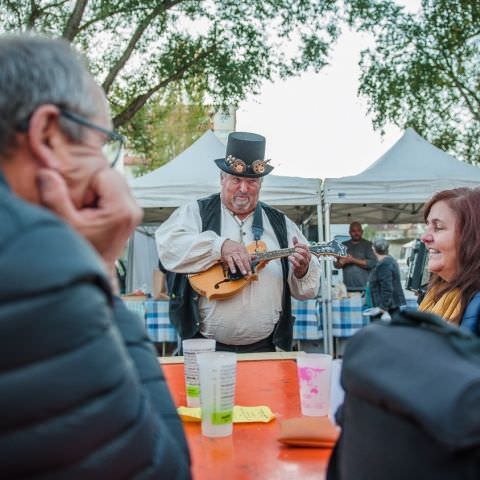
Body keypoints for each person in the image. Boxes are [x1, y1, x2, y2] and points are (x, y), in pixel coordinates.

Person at [0, 33, 190, 478]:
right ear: (48, 135)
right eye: (102, 144)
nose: (107, 170)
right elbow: (161, 468)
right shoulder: (34, 263)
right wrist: (98, 264)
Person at [156, 131, 321, 352]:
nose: (243, 188)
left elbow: (306, 292)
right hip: (205, 348)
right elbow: (168, 246)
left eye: (251, 181)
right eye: (236, 179)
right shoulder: (197, 212)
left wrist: (303, 270)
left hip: (266, 348)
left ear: (260, 183)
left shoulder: (281, 223)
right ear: (222, 179)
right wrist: (219, 246)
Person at [418, 187, 480, 335]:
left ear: (472, 238)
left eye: (438, 227)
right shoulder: (434, 293)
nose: (424, 238)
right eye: (427, 226)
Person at [367, 237, 406, 318]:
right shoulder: (389, 260)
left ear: (373, 249)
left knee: (386, 329)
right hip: (390, 306)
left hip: (388, 308)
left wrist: (383, 307)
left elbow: (387, 287)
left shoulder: (384, 264)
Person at [334, 221, 377, 293]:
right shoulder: (343, 245)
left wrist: (352, 260)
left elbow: (372, 263)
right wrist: (341, 262)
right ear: (349, 232)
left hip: (364, 288)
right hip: (347, 288)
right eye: (353, 231)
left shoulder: (368, 245)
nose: (356, 233)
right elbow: (336, 265)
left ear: (362, 232)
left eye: (358, 231)